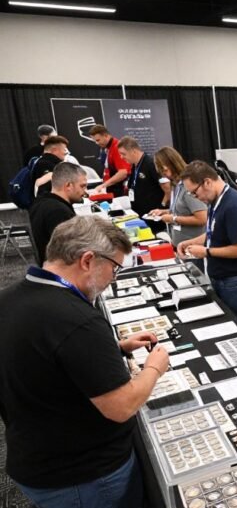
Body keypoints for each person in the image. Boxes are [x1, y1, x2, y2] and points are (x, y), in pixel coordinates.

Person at [0, 216, 169, 508]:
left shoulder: (10, 298)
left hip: (35, 454)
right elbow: (122, 406)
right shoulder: (78, 321)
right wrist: (155, 367)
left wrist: (113, 349)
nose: (113, 278)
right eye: (114, 268)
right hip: (84, 476)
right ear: (88, 260)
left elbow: (44, 358)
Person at [176, 161, 237, 324]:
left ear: (207, 182)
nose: (196, 198)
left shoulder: (234, 206)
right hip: (226, 276)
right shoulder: (216, 200)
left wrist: (206, 252)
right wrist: (190, 242)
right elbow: (213, 233)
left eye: (194, 193)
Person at [148, 147, 208, 247]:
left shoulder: (188, 185)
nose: (164, 175)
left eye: (165, 171)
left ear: (172, 164)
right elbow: (184, 210)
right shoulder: (176, 184)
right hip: (181, 245)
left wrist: (173, 219)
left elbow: (202, 218)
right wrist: (165, 212)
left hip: (193, 247)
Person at [29, 162, 87, 264]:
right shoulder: (58, 212)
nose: (86, 192)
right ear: (68, 186)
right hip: (62, 272)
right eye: (82, 186)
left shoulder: (42, 202)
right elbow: (73, 252)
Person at [118, 136, 169, 230]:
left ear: (133, 151)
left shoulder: (151, 164)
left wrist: (161, 206)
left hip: (153, 218)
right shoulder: (134, 165)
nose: (121, 157)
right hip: (141, 216)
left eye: (123, 154)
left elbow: (168, 189)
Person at [89, 125, 130, 197]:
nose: (96, 143)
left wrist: (104, 185)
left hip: (120, 190)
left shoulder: (117, 147)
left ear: (106, 135)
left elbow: (123, 172)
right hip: (112, 187)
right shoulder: (106, 148)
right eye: (95, 141)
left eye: (98, 140)